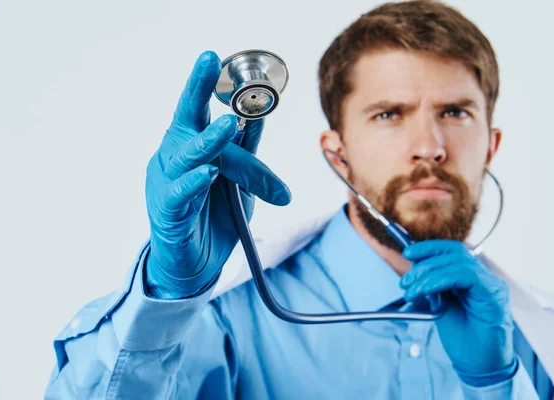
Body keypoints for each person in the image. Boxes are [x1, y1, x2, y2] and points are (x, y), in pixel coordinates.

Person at [45, 1, 553, 399]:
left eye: (456, 113)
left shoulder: (527, 339)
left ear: (491, 145)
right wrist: (167, 295)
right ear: (338, 155)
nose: (430, 148)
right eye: (389, 114)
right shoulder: (230, 318)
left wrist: (496, 385)